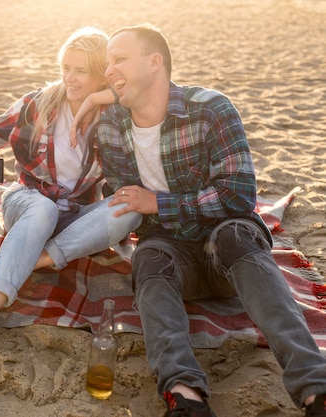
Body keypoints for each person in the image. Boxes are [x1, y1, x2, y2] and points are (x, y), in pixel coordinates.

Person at [72, 23, 326, 417]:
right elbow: (124, 202)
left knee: (237, 235)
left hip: (226, 247)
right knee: (148, 258)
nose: (108, 71)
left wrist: (159, 203)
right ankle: (184, 394)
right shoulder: (111, 127)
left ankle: (315, 387)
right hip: (169, 255)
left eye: (119, 60)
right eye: (107, 65)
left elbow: (238, 195)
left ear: (155, 63)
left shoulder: (210, 108)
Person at [0, 26, 142, 381]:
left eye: (81, 70)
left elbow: (150, 96)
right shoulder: (37, 103)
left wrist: (101, 100)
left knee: (130, 206)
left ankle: (22, 264)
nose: (69, 77)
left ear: (102, 74)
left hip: (77, 218)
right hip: (28, 202)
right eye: (65, 67)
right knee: (44, 208)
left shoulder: (115, 117)